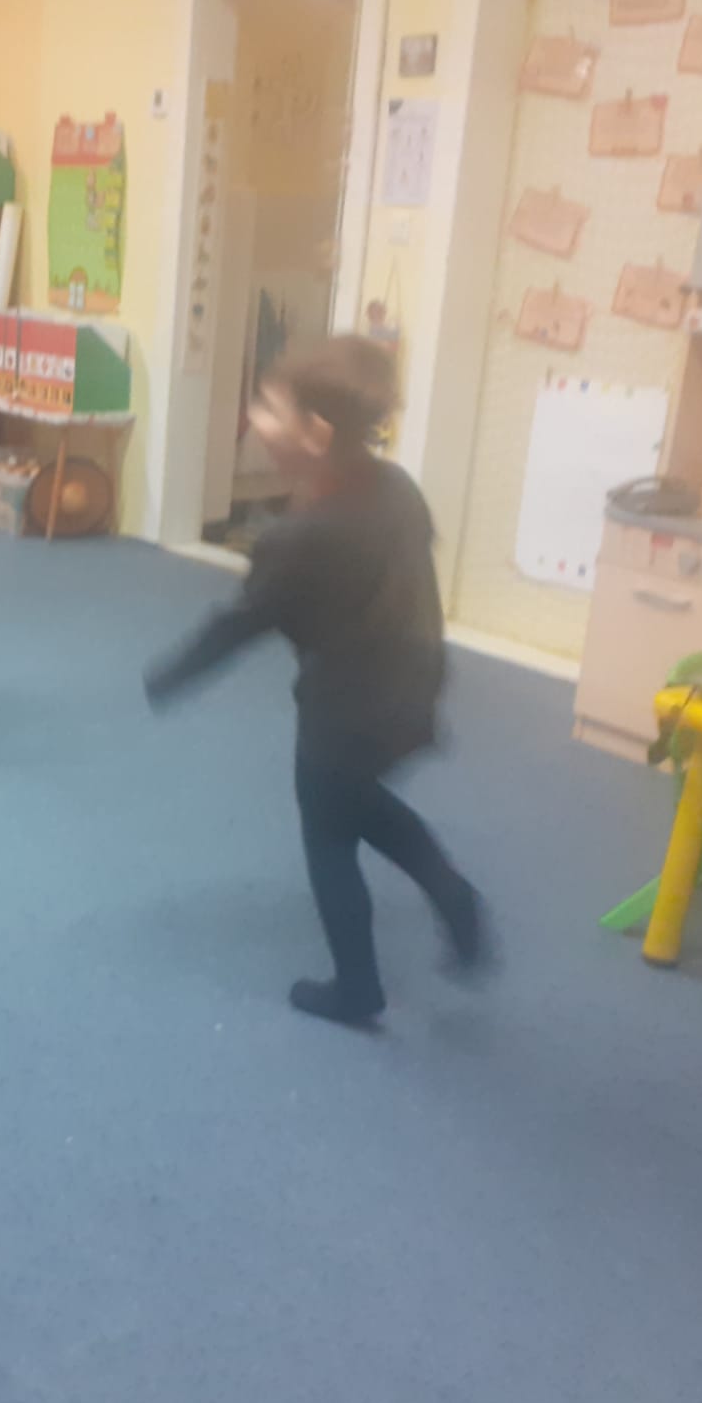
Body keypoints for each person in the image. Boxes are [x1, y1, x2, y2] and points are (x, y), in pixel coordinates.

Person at [144, 335, 485, 1027]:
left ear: (317, 434)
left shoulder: (299, 539)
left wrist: (172, 673)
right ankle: (453, 895)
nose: (255, 417)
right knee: (359, 804)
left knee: (329, 839)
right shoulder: (396, 487)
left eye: (271, 408)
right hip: (413, 682)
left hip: (346, 708)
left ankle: (356, 988)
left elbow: (243, 621)